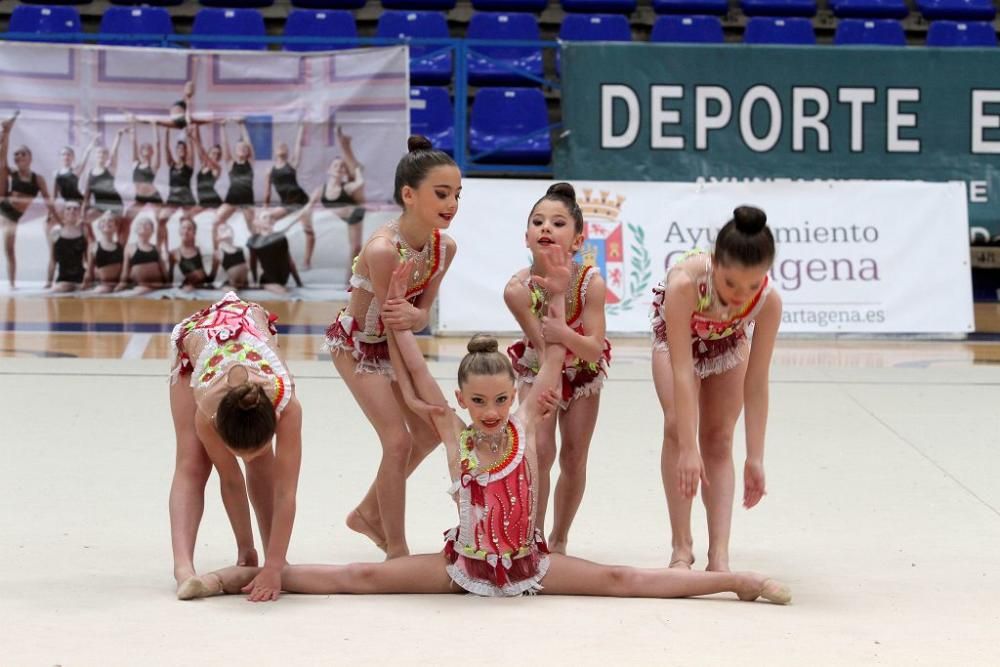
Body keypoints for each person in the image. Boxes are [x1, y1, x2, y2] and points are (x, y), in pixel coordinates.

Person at [177, 251, 789, 605]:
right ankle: (242, 575)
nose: (493, 410)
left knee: (620, 578)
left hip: (529, 563)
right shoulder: (452, 431)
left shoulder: (525, 416)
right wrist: (396, 322)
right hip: (462, 565)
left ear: (512, 394)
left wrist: (553, 299)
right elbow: (414, 369)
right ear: (464, 400)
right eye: (481, 401)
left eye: (500, 398)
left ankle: (733, 579)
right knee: (356, 577)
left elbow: (553, 355)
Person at [324, 135, 458, 559]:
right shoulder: (383, 250)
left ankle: (367, 513)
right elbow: (391, 326)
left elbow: (418, 317)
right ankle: (396, 549)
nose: (452, 203)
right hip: (357, 346)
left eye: (457, 194)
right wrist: (414, 394)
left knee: (429, 433)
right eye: (441, 194)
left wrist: (415, 318)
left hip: (394, 341)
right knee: (398, 440)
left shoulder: (444, 247)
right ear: (408, 194)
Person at [651, 206, 782, 572]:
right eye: (730, 284)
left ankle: (719, 554)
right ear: (714, 263)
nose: (741, 295)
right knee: (678, 427)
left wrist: (755, 456)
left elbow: (757, 383)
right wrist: (688, 449)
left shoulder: (769, 302)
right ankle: (681, 547)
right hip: (679, 341)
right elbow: (681, 370)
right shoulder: (685, 285)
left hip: (726, 342)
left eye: (752, 285)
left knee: (720, 438)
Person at [168, 291, 302, 602]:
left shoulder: (288, 405)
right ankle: (183, 568)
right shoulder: (207, 410)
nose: (245, 459)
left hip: (249, 335)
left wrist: (274, 564)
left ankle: (272, 552)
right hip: (198, 339)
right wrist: (245, 550)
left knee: (263, 467)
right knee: (192, 461)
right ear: (219, 427)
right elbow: (230, 481)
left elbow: (286, 492)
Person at [504, 182, 610, 555]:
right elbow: (544, 348)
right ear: (526, 237)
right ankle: (532, 537)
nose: (546, 228)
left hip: (582, 374)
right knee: (539, 450)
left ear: (578, 241)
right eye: (538, 222)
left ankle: (560, 538)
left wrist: (565, 331)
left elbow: (594, 351)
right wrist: (560, 337)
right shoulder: (517, 289)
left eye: (558, 223)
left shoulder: (591, 283)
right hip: (540, 370)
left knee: (574, 455)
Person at [0, 113, 59, 288]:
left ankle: (11, 284)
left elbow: (49, 201)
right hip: (3, 208)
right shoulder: (11, 173)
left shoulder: (37, 179)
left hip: (13, 217)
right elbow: (2, 157)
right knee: (0, 165)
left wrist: (59, 219)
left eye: (22, 154)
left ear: (30, 158)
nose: (18, 156)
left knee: (9, 250)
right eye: (16, 155)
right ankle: (6, 131)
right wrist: (6, 134)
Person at [312, 125, 366, 282]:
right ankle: (344, 143)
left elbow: (359, 180)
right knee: (354, 169)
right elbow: (307, 207)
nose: (339, 168)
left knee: (355, 247)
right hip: (348, 207)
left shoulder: (347, 186)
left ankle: (351, 277)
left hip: (355, 208)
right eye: (336, 166)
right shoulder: (320, 190)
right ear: (328, 170)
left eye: (340, 167)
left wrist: (356, 171)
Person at [263, 120, 314, 269]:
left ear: (287, 151)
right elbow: (267, 192)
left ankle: (307, 260)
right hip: (287, 204)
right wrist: (265, 209)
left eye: (284, 146)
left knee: (308, 230)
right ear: (274, 151)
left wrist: (301, 127)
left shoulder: (291, 163)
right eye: (279, 146)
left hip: (301, 200)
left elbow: (298, 146)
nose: (281, 147)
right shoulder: (270, 170)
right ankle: (271, 252)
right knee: (268, 219)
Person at [82, 129, 127, 244]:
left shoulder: (110, 169)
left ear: (107, 157)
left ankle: (119, 251)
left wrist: (118, 137)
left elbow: (114, 152)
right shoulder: (90, 172)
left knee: (116, 229)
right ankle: (93, 245)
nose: (101, 155)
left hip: (115, 204)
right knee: (85, 220)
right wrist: (83, 210)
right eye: (99, 153)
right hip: (100, 205)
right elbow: (87, 194)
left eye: (104, 153)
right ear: (95, 156)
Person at [214, 118, 256, 238]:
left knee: (252, 228)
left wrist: (242, 125)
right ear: (235, 151)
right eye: (239, 147)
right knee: (216, 221)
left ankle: (255, 254)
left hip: (247, 200)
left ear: (247, 151)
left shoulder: (251, 162)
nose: (242, 149)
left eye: (244, 148)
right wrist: (222, 127)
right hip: (232, 199)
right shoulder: (230, 163)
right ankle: (218, 251)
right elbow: (224, 144)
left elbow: (249, 143)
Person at [158, 127, 200, 247]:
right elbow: (166, 148)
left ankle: (191, 247)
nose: (181, 150)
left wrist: (190, 136)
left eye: (183, 148)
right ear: (176, 151)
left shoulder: (189, 164)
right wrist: (166, 132)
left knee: (188, 223)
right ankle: (163, 249)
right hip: (173, 198)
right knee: (161, 220)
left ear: (186, 151)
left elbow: (192, 151)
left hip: (187, 198)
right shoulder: (171, 164)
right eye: (179, 148)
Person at [247, 209, 303, 296]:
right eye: (265, 217)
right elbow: (253, 263)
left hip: (283, 277)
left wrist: (299, 283)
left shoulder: (281, 238)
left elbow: (290, 261)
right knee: (286, 294)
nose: (268, 219)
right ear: (258, 222)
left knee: (287, 292)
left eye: (271, 217)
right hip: (268, 278)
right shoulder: (254, 240)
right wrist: (255, 282)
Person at [117, 215, 167, 294]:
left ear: (152, 231)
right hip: (140, 286)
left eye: (147, 224)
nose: (143, 225)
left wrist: (168, 284)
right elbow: (125, 270)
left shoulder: (156, 248)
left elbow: (163, 269)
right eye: (140, 224)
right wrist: (121, 284)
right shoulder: (129, 247)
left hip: (157, 285)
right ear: (135, 230)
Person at [46, 200, 88, 292]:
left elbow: (88, 260)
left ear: (79, 212)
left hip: (81, 278)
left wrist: (87, 280)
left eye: (75, 209)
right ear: (63, 212)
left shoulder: (84, 231)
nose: (72, 211)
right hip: (64, 279)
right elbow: (52, 260)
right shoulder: (56, 232)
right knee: (58, 289)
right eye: (68, 208)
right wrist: (49, 282)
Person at [170, 215, 214, 291]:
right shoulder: (174, 253)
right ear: (179, 231)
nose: (186, 231)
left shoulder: (201, 250)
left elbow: (210, 275)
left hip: (205, 288)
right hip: (188, 290)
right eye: (183, 228)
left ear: (194, 232)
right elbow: (170, 279)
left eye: (189, 228)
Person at [85, 212, 124, 293]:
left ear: (116, 227)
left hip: (118, 285)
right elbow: (89, 271)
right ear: (99, 226)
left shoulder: (121, 246)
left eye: (110, 221)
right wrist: (85, 284)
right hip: (103, 285)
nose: (107, 222)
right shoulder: (93, 246)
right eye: (103, 221)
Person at [192, 124, 224, 210]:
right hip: (203, 201)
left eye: (218, 154)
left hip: (213, 201)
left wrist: (194, 139)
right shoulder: (203, 164)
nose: (216, 155)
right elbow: (200, 149)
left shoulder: (217, 167)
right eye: (214, 153)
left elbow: (202, 152)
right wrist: (196, 126)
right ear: (209, 153)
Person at [213, 220, 249, 290]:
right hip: (228, 285)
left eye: (228, 228)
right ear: (218, 236)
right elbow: (214, 276)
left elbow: (247, 269)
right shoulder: (218, 253)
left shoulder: (242, 250)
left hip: (243, 285)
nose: (226, 231)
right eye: (222, 230)